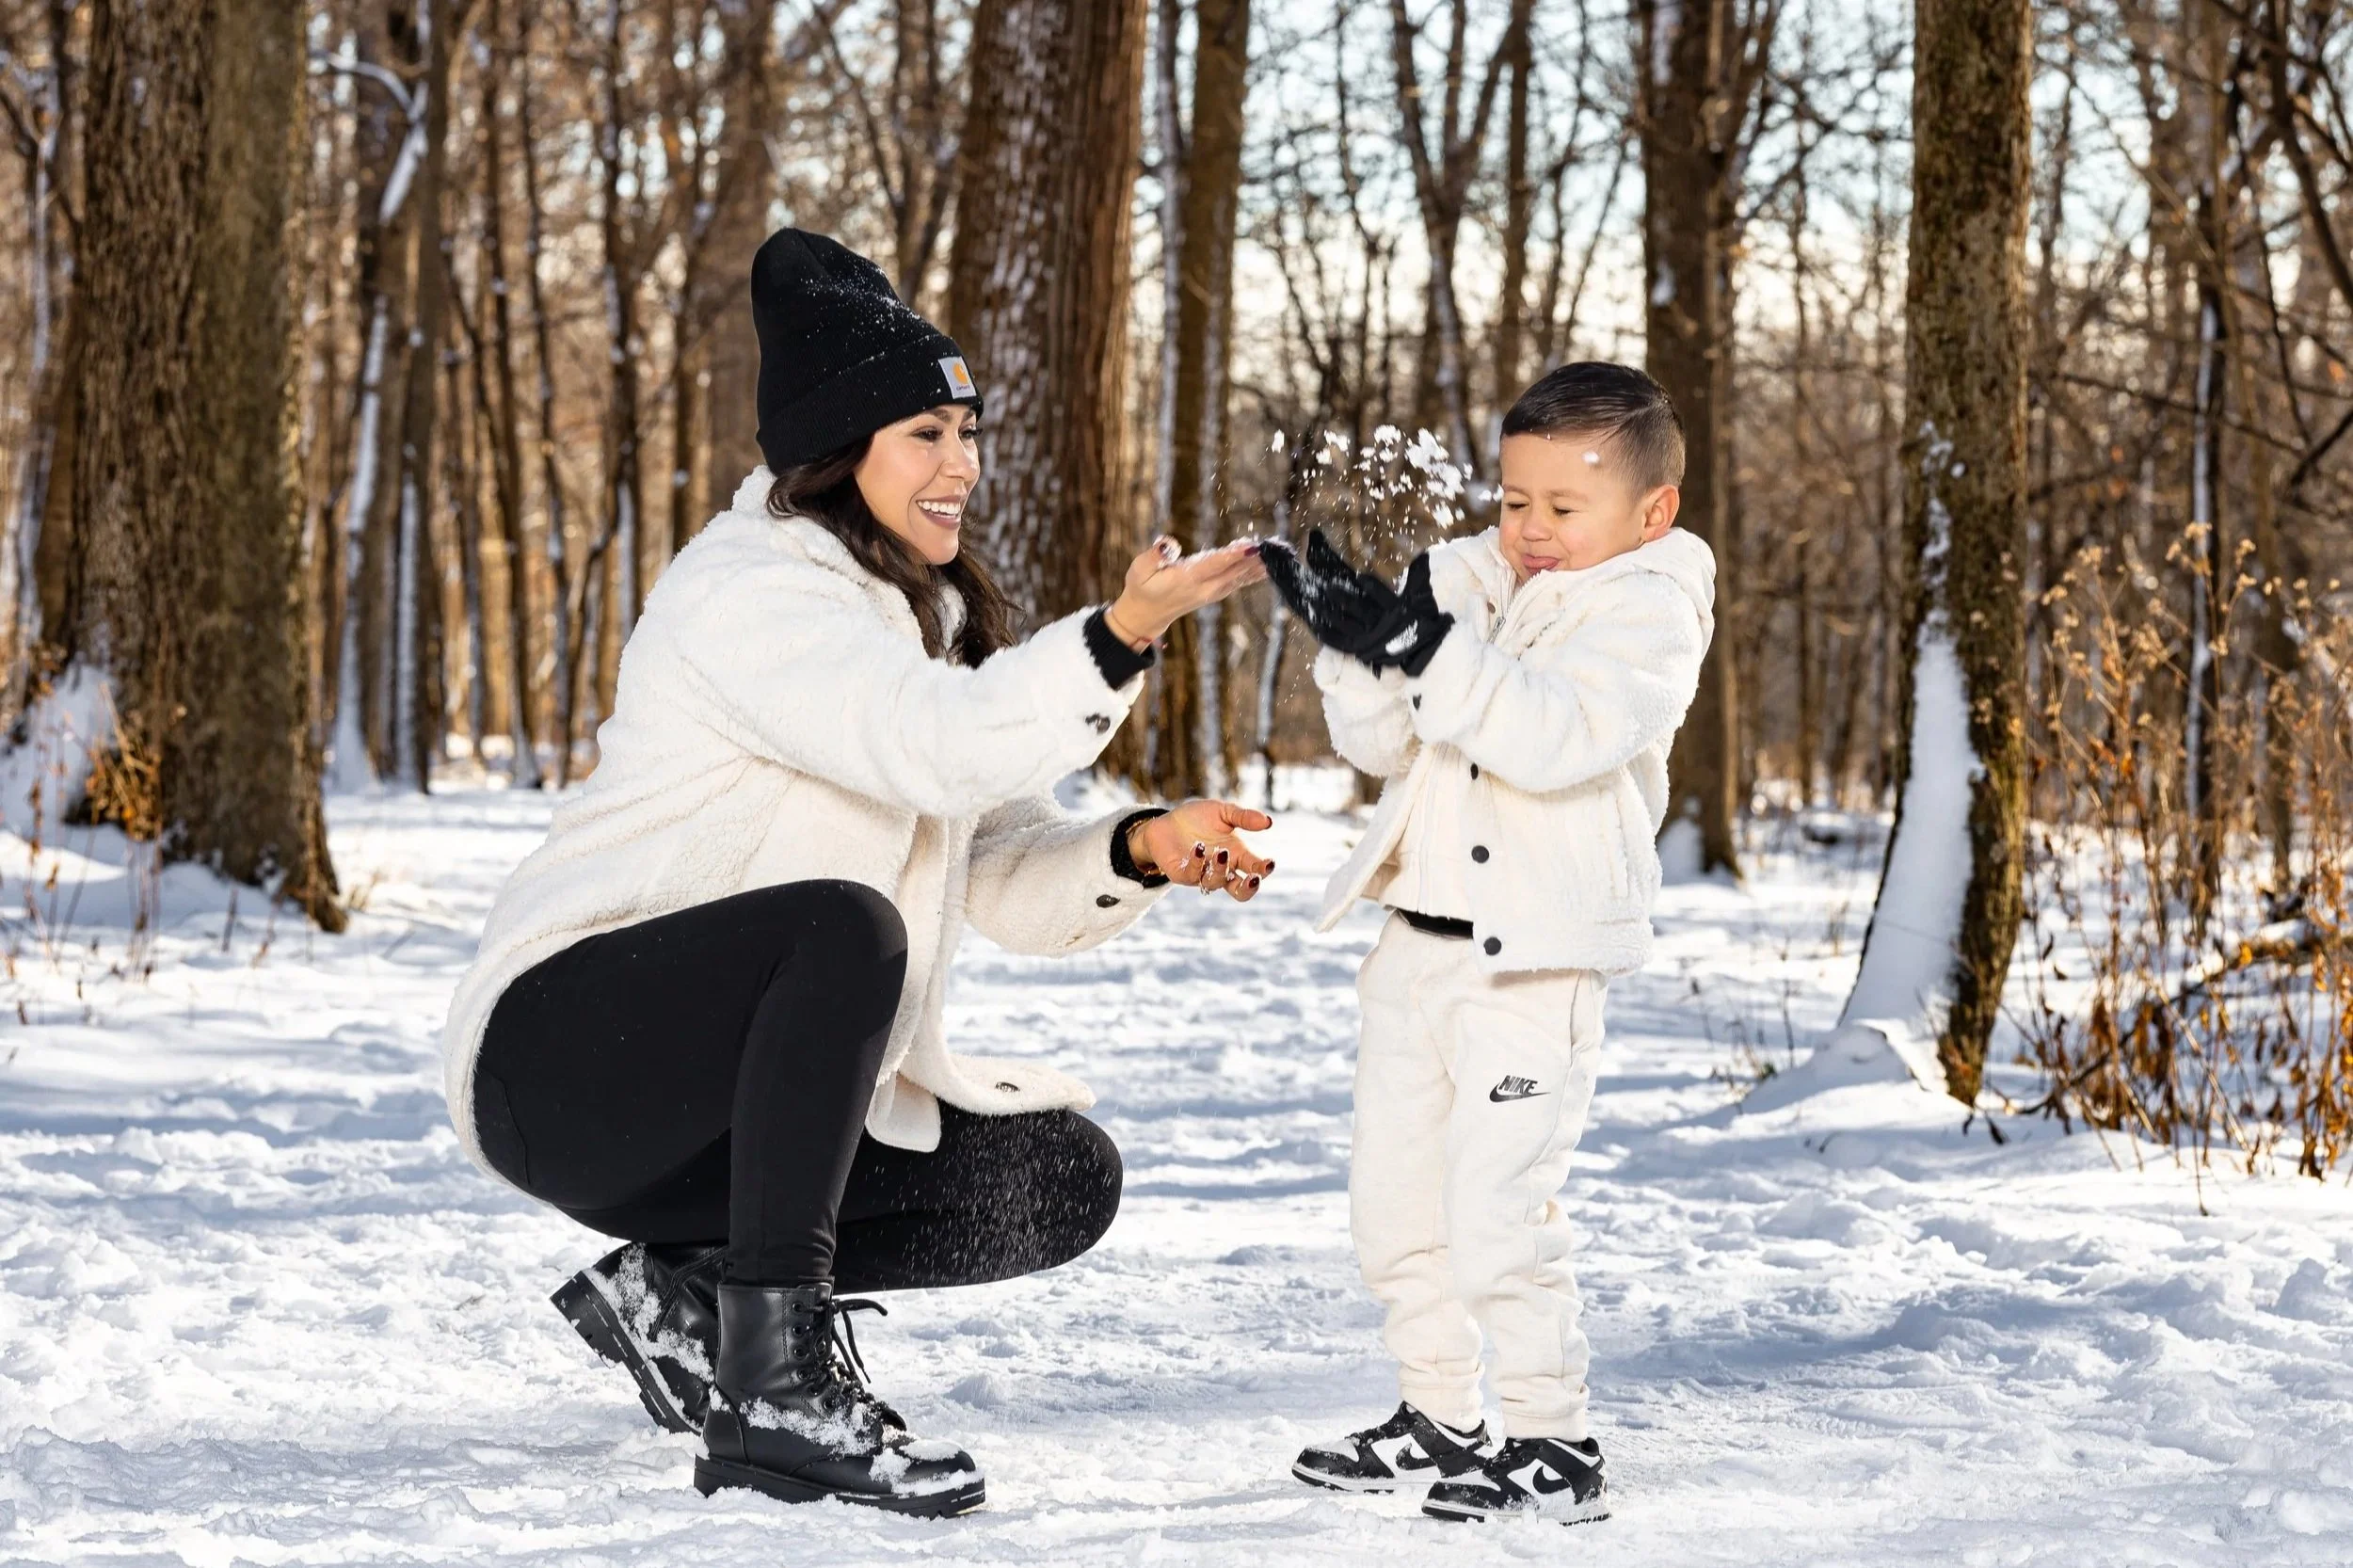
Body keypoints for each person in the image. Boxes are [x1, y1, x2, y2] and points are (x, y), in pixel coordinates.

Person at [439, 229, 1273, 1517]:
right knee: (846, 931)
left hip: (700, 1106)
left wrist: (1137, 846)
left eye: (968, 430)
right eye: (927, 435)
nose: (964, 466)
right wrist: (1117, 638)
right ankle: (769, 1388)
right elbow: (933, 748)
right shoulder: (751, 596)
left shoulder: (913, 624)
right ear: (842, 452)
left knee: (1060, 1178)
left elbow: (993, 864)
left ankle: (687, 1296)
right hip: (562, 1054)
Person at [1261, 361, 1715, 1524]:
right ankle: (1436, 1414)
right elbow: (1378, 743)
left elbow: (1553, 734)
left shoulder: (1650, 610)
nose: (1532, 529)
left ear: (1648, 514)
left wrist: (1422, 644)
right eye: (1516, 500)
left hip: (1533, 960)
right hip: (1414, 944)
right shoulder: (1462, 577)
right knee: (1396, 1206)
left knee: (1498, 1210)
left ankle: (1552, 1439)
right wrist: (1356, 644)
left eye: (1566, 509)